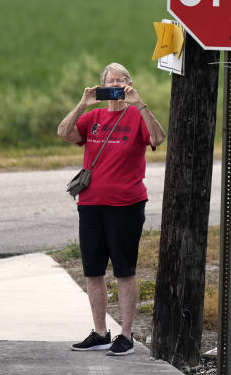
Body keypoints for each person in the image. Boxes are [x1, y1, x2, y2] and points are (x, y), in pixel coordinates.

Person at [57, 62, 166, 356]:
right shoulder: (92, 117)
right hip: (91, 204)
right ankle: (100, 333)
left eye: (120, 80)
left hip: (126, 204)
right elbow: (64, 132)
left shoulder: (136, 115)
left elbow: (157, 138)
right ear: (102, 85)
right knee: (93, 271)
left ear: (129, 83)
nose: (115, 85)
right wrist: (82, 104)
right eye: (110, 81)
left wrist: (139, 102)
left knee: (124, 271)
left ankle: (126, 336)